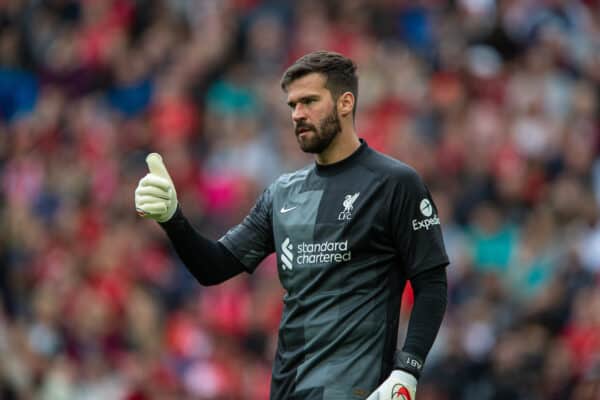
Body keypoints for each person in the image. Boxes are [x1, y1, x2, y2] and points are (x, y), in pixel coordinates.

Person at [135, 51, 449, 400]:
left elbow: (431, 282)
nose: (298, 114)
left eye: (310, 101)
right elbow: (214, 267)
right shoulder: (283, 193)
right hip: (288, 390)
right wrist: (173, 218)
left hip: (360, 390)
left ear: (345, 103)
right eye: (293, 105)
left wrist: (407, 369)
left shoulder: (395, 184)